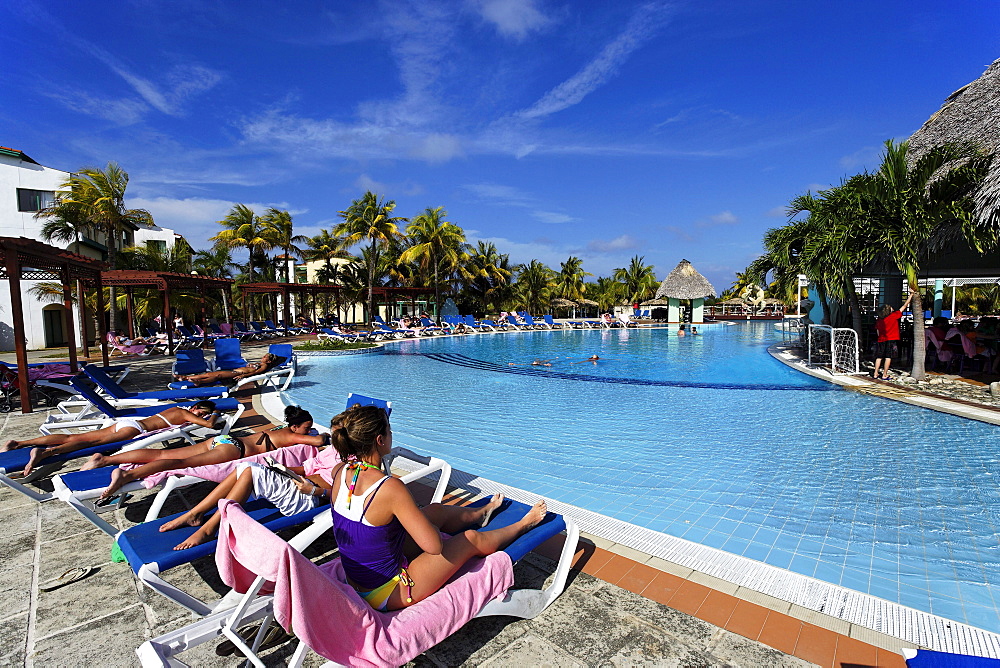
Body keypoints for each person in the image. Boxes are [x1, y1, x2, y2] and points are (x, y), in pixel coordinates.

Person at [323, 405, 546, 610]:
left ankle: (481, 513)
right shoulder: (390, 488)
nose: (392, 435)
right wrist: (412, 519)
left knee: (435, 511)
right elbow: (434, 546)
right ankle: (524, 524)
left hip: (361, 574)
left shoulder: (340, 471)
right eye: (390, 431)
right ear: (380, 440)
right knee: (468, 540)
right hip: (386, 591)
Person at [84, 406, 326, 500]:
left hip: (222, 440)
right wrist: (321, 436)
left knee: (163, 455)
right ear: (295, 427)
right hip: (233, 449)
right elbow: (316, 441)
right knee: (177, 462)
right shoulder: (294, 435)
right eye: (306, 426)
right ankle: (125, 477)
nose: (308, 430)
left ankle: (106, 458)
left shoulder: (280, 428)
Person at [1, 401, 221, 475]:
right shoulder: (185, 413)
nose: (199, 416)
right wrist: (214, 414)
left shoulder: (177, 409)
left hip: (126, 423)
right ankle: (47, 452)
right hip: (135, 428)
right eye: (200, 411)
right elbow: (210, 425)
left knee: (72, 437)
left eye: (201, 414)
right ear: (196, 407)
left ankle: (19, 443)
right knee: (92, 443)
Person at [873, 291, 915, 381]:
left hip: (881, 339)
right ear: (888, 310)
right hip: (891, 339)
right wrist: (911, 295)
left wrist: (880, 337)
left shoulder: (880, 320)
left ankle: (875, 373)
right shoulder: (893, 316)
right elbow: (904, 306)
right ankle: (884, 374)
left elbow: (877, 331)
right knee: (888, 357)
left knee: (879, 357)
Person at [174, 353, 283, 386]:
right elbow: (253, 367)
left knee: (217, 375)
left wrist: (243, 376)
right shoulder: (260, 363)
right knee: (212, 373)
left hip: (236, 374)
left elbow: (255, 373)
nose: (262, 357)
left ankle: (197, 381)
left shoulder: (264, 366)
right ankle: (187, 378)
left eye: (265, 357)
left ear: (268, 361)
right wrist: (251, 364)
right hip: (235, 371)